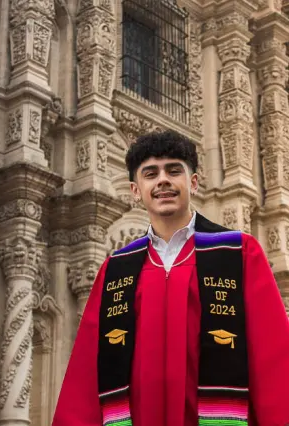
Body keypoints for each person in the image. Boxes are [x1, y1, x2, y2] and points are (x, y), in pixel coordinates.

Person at [51, 130, 289, 426]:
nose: (162, 180)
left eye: (174, 170)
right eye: (150, 173)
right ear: (135, 189)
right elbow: (87, 374)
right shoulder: (117, 269)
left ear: (193, 182)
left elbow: (274, 361)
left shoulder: (237, 253)